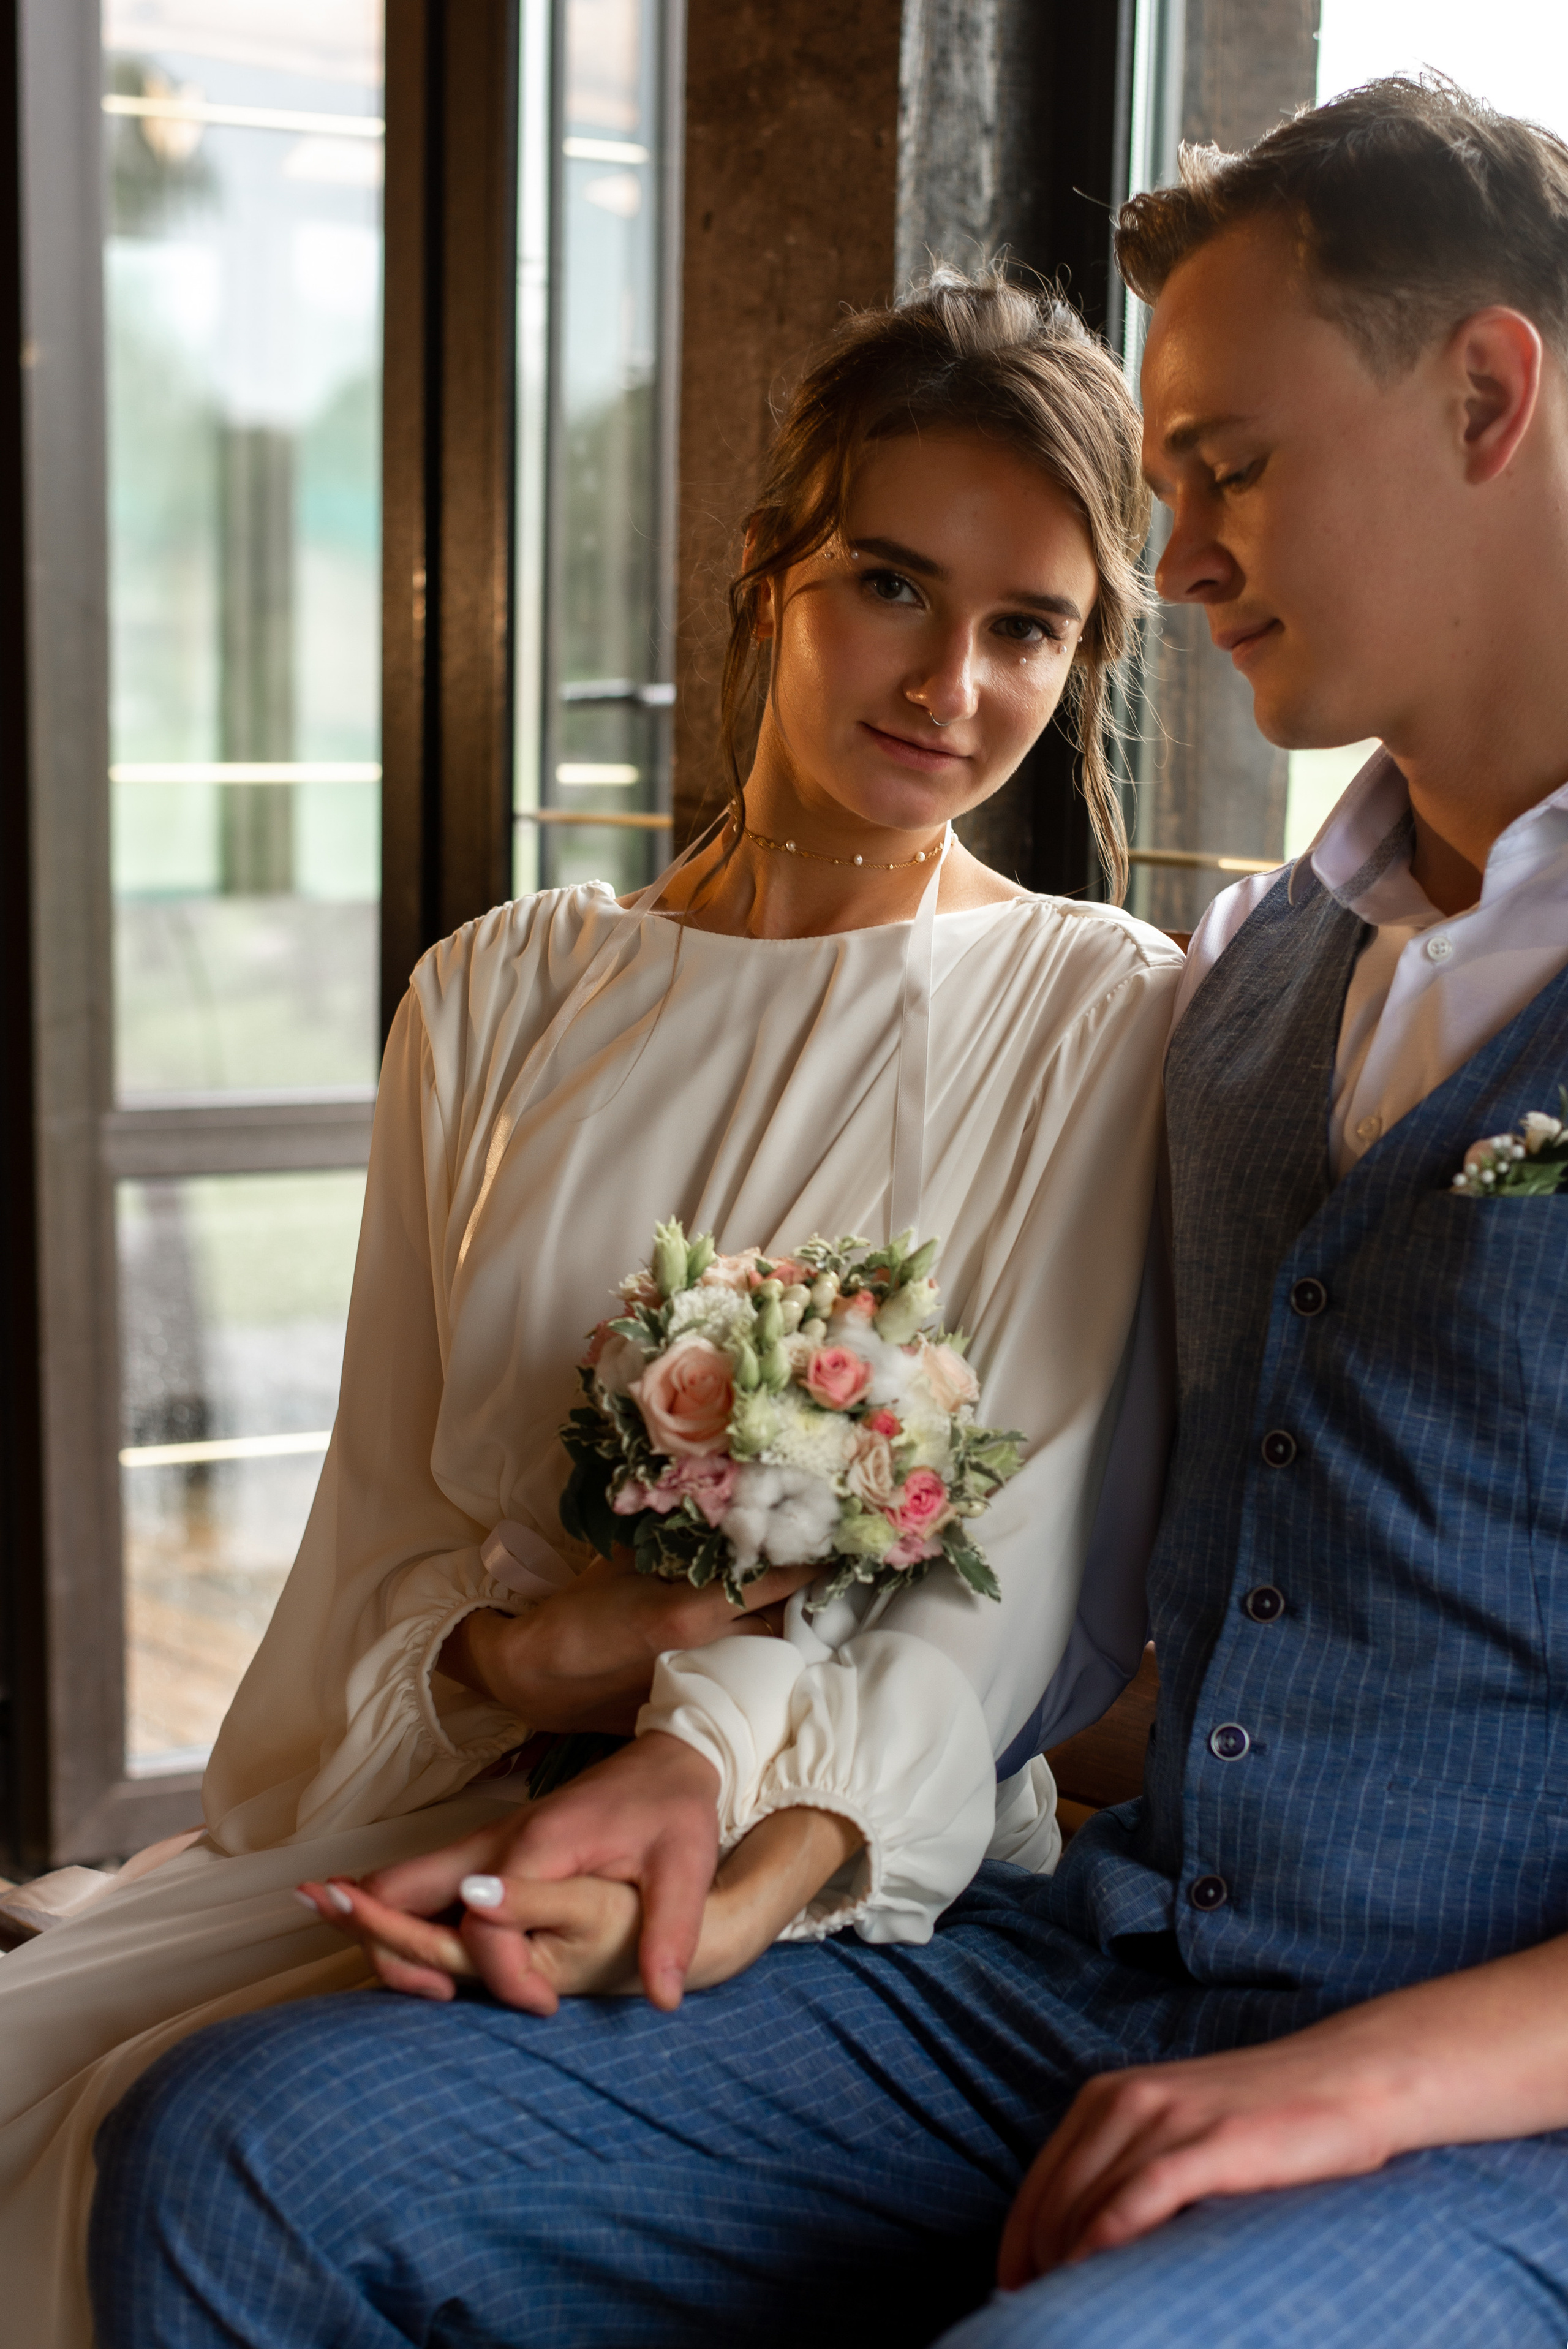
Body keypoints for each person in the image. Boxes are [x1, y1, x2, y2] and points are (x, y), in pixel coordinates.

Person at [88, 75, 1568, 2349]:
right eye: (1167, 489)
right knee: (245, 2150)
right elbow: (1085, 1590)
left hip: (1493, 2100)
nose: (1181, 560)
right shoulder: (1256, 992)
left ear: (1487, 395)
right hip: (1092, 1977)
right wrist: (700, 1779)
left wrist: (1368, 2075)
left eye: (1229, 466)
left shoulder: (1100, 996)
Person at [0, 269, 1183, 2344]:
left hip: (823, 1867)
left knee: (143, 2133)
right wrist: (515, 1655)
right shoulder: (495, 995)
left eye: (1029, 629)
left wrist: (727, 1797)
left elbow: (1015, 1590)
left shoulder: (1094, 1012)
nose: (953, 683)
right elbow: (379, 1521)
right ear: (768, 565)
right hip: (454, 1798)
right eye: (891, 585)